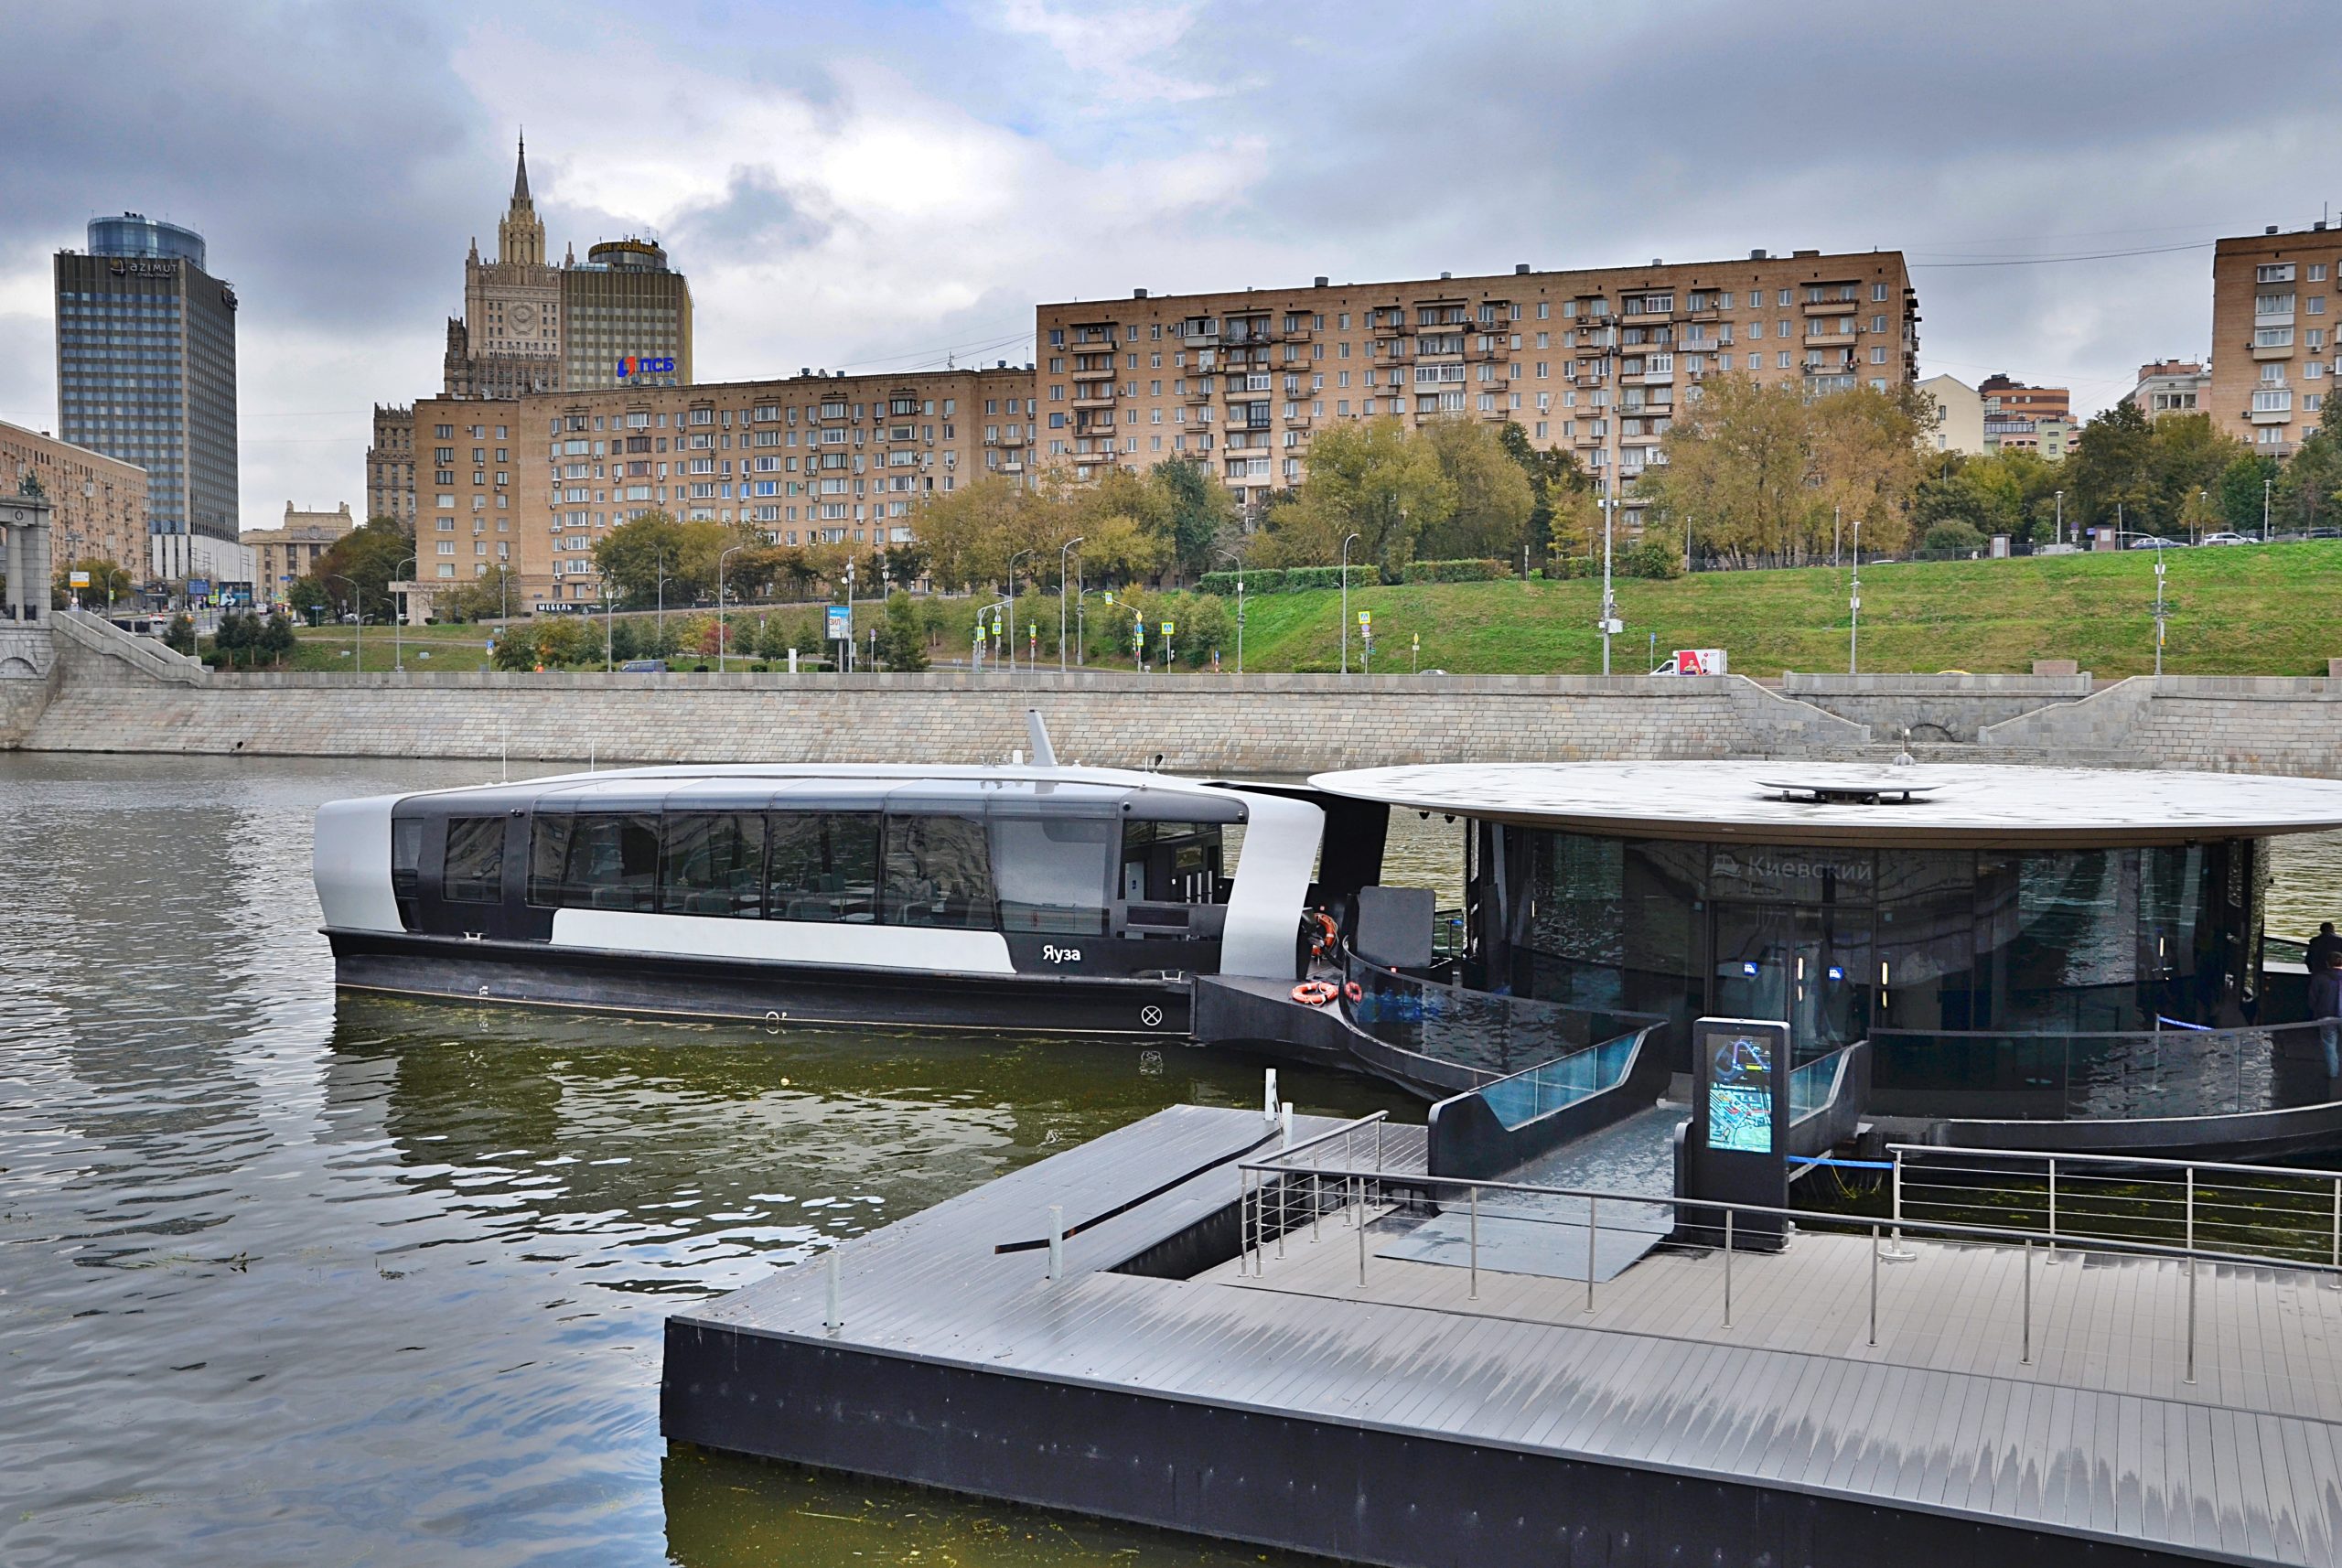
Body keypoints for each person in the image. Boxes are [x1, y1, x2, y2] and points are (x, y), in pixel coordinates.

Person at [2313, 951, 2342, 1080]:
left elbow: (2313, 999)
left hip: (2326, 1016)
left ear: (2327, 964)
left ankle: (2333, 1074)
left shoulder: (2320, 978)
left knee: (2330, 1045)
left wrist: (2316, 1012)